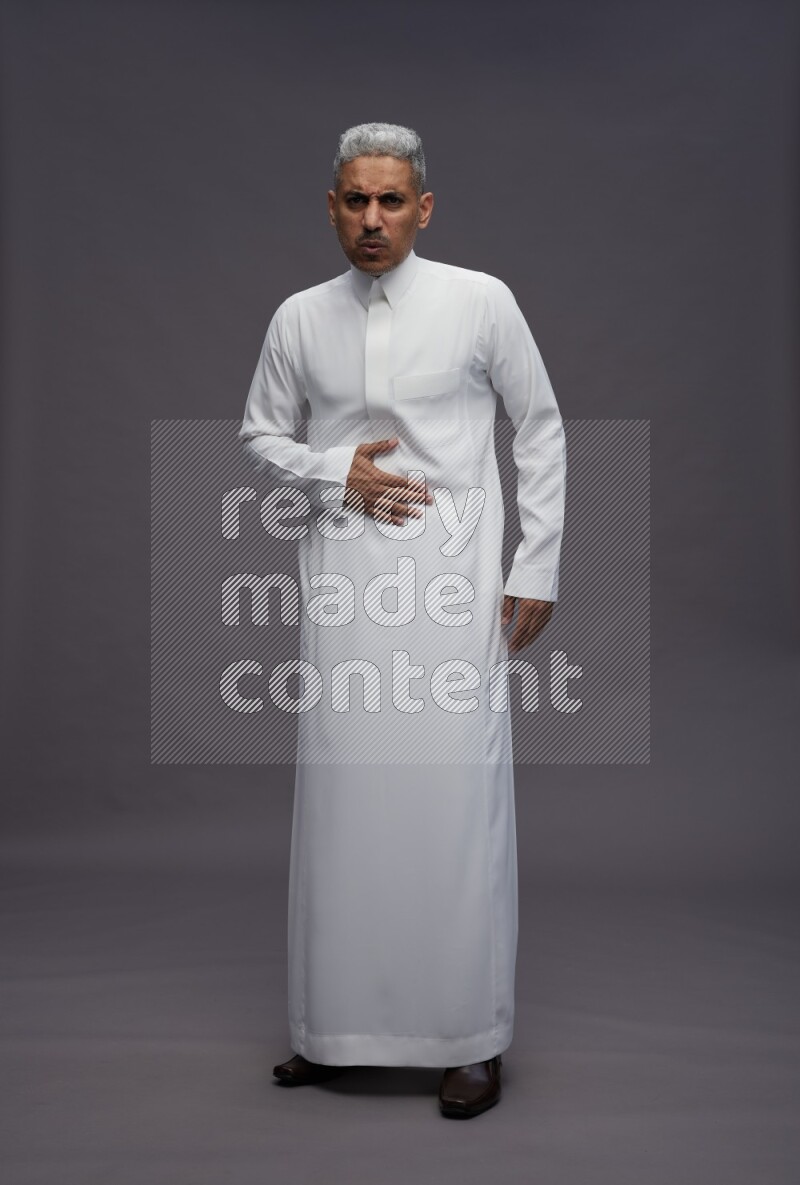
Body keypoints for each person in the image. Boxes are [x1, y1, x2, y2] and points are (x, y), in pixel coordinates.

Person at [238, 122, 566, 1118]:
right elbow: (258, 432)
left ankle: (470, 1037)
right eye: (353, 200)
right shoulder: (300, 317)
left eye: (390, 201)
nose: (371, 219)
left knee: (453, 808)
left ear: (423, 208)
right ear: (331, 207)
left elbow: (539, 425)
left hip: (454, 590)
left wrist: (536, 565)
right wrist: (335, 469)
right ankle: (331, 1032)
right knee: (344, 808)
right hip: (344, 591)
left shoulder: (479, 303)